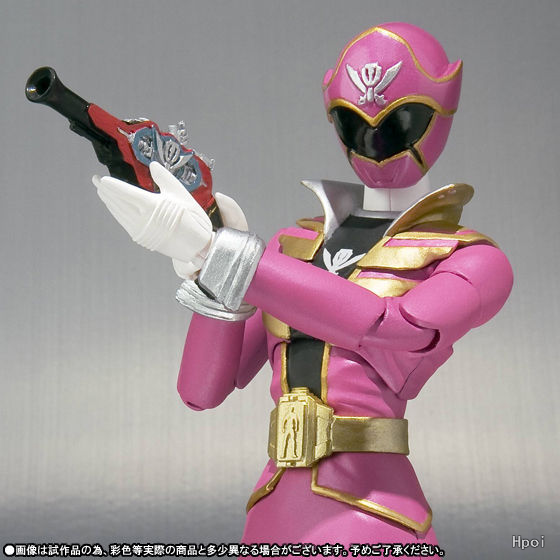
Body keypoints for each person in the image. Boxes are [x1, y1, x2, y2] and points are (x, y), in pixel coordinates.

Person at [93, 22, 513, 554]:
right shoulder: (292, 246)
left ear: (442, 109)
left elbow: (394, 327)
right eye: (353, 122)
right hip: (274, 502)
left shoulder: (472, 258)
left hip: (374, 509)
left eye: (400, 122)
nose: (374, 143)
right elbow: (202, 391)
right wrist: (202, 263)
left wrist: (227, 255)